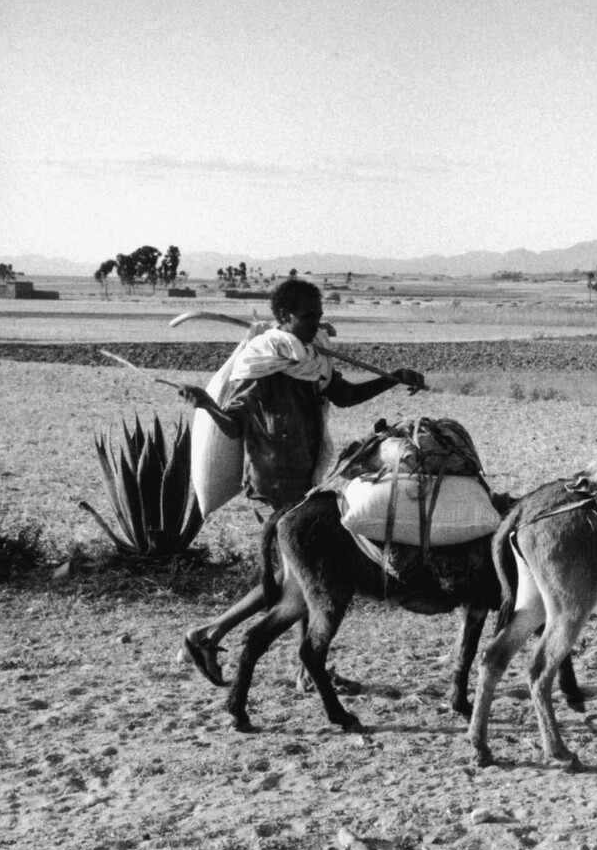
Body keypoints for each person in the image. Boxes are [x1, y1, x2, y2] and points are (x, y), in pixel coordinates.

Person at [177, 278, 425, 685]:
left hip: (306, 479)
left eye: (319, 316)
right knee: (298, 578)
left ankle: (300, 667)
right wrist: (207, 405)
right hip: (273, 482)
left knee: (302, 577)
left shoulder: (312, 359)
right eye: (308, 316)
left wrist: (393, 378)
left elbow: (343, 396)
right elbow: (235, 425)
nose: (316, 323)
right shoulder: (261, 363)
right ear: (282, 317)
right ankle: (210, 634)